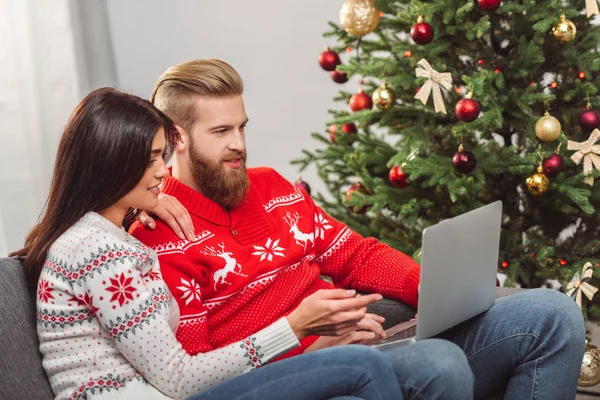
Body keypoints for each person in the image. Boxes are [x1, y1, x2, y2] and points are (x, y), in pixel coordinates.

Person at [132, 58, 587, 399]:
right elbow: (198, 374)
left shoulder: (271, 187)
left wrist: (441, 294)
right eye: (222, 132)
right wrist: (312, 348)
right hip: (299, 380)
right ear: (176, 137)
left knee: (552, 315)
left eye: (243, 127)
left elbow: (356, 255)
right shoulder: (156, 238)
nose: (240, 145)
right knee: (442, 364)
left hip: (366, 347)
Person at [11, 87, 406, 400]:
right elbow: (178, 378)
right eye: (149, 160)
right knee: (361, 368)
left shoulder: (106, 237)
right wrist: (296, 328)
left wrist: (144, 201)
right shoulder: (98, 253)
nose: (163, 171)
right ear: (110, 163)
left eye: (160, 156)